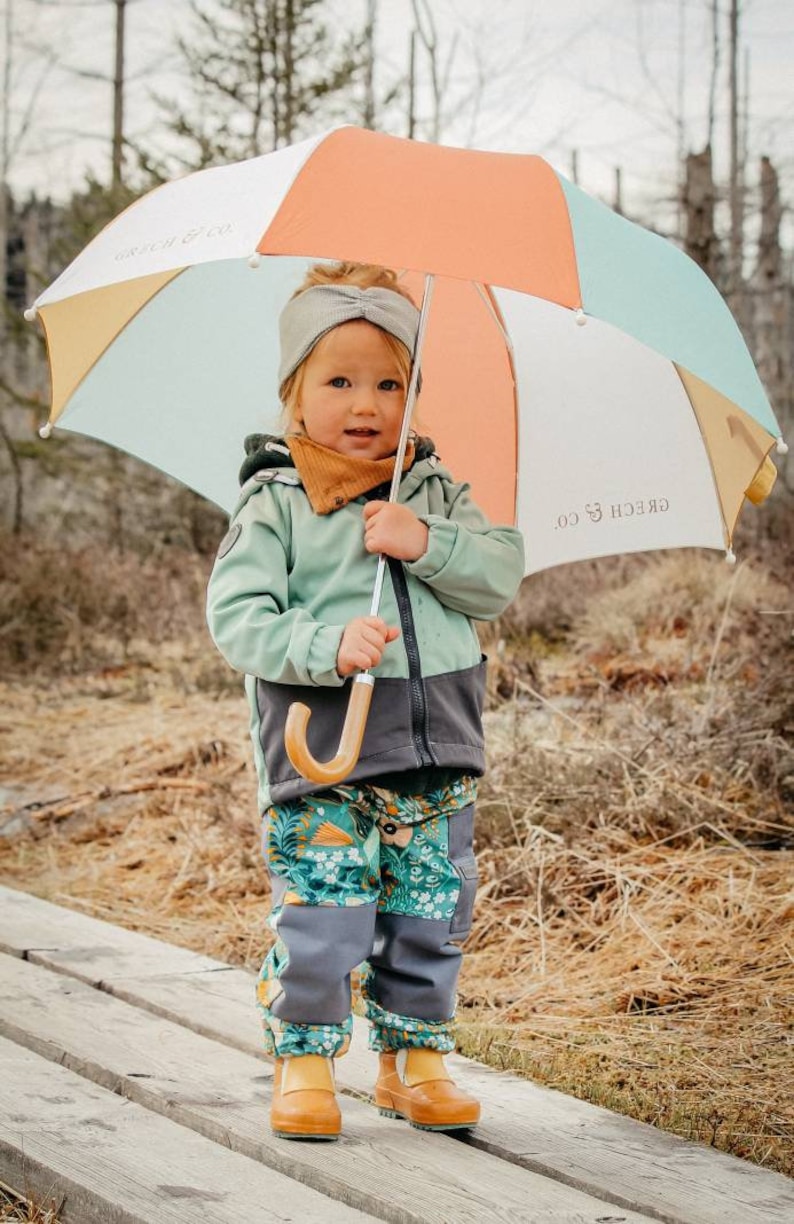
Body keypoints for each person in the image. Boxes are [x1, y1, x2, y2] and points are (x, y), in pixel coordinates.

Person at [206, 261, 524, 1140]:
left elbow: (498, 576)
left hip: (437, 747)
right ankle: (304, 1061)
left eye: (390, 382)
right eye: (339, 380)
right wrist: (324, 646)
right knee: (324, 911)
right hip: (325, 750)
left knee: (431, 911)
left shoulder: (434, 490)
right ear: (294, 393)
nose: (367, 403)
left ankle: (412, 1062)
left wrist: (424, 540)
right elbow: (236, 619)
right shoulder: (277, 502)